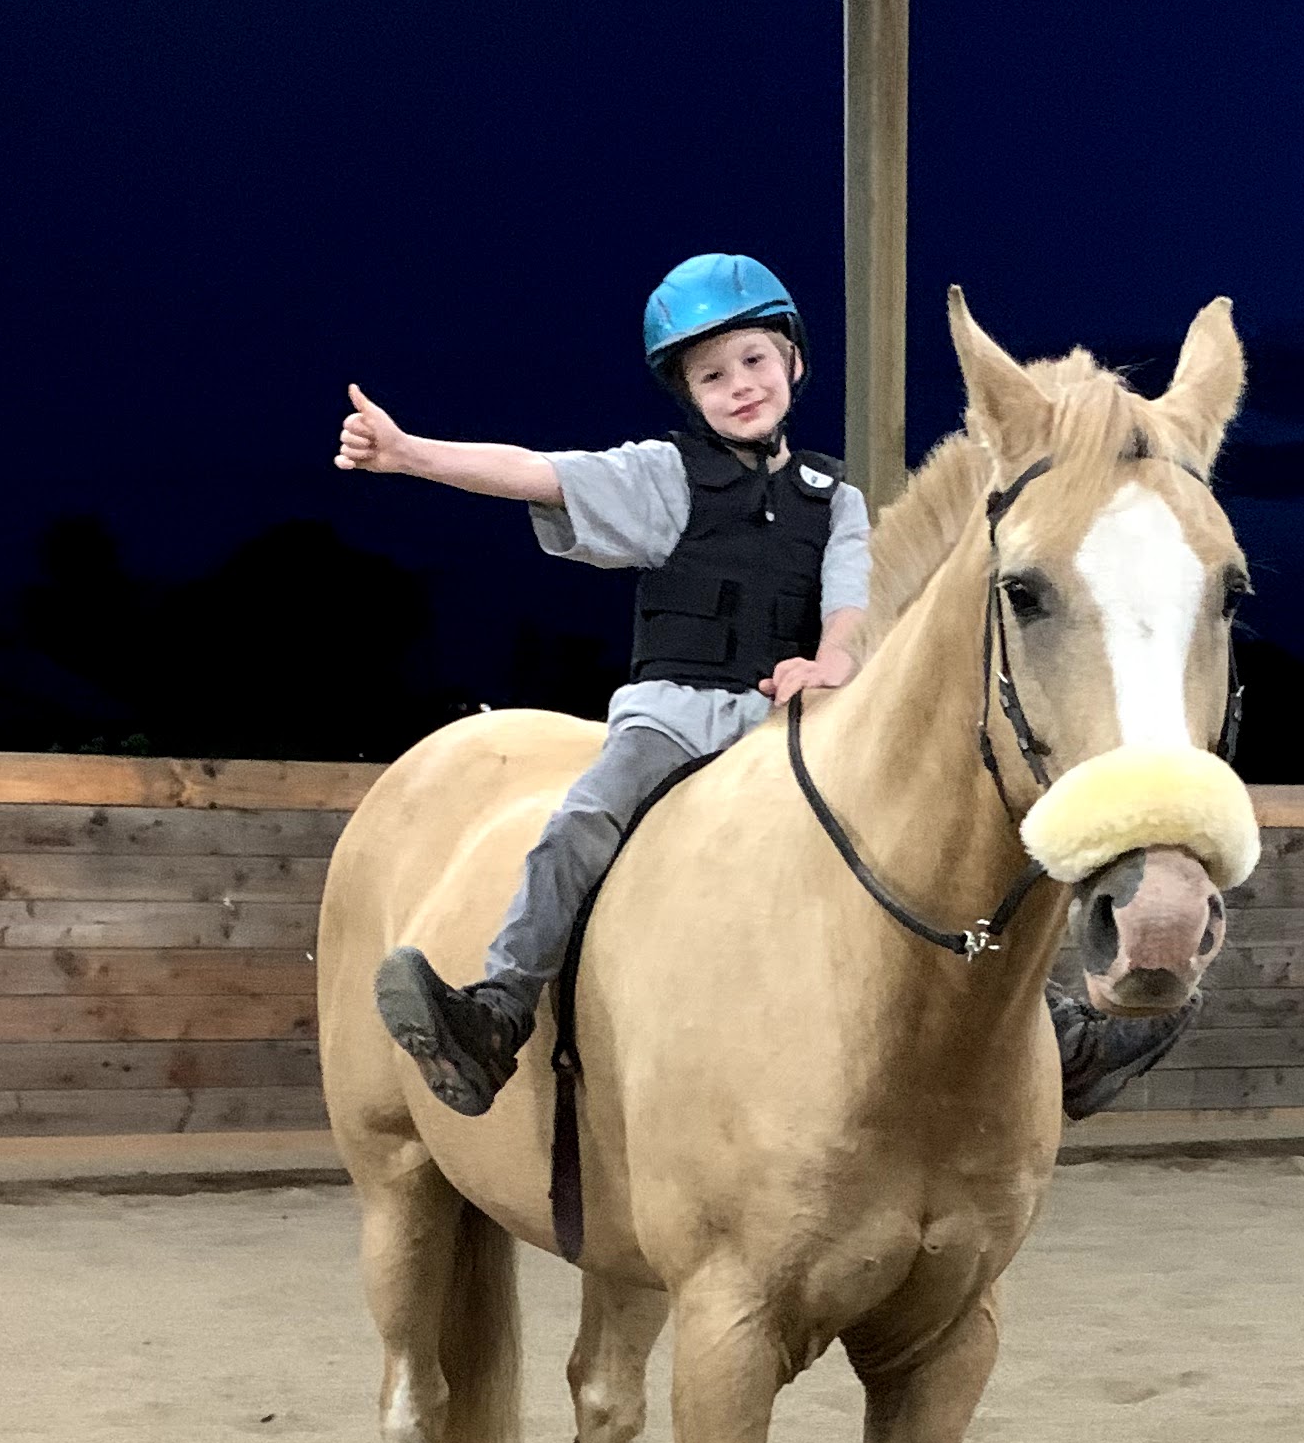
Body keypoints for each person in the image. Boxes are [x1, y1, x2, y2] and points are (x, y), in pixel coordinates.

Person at [340, 254, 1191, 1122]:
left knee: (927, 848)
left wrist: (831, 665)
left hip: (784, 727)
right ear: (689, 394)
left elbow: (849, 603)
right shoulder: (666, 476)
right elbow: (540, 472)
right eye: (711, 375)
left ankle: (1059, 1036)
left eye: (753, 360)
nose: (739, 385)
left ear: (793, 361)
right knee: (582, 822)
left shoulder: (835, 498)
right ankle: (498, 1009)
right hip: (672, 721)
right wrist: (408, 454)